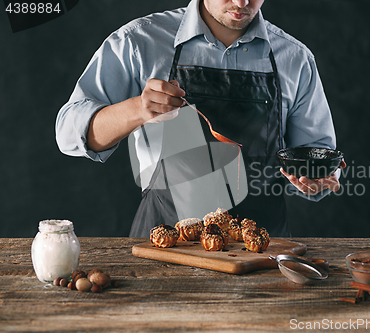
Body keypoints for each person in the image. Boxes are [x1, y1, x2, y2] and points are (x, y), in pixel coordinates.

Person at [56, 0, 346, 237]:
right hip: (165, 240)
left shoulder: (295, 59)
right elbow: (69, 134)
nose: (242, 3)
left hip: (261, 248)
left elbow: (319, 155)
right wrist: (136, 110)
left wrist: (320, 177)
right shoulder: (140, 41)